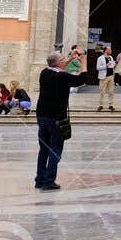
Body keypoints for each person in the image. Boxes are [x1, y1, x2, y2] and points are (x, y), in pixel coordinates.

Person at [35, 53, 77, 191]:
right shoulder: (62, 76)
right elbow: (82, 79)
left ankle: (40, 179)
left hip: (42, 116)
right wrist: (83, 61)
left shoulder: (44, 72)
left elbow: (57, 68)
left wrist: (70, 58)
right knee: (55, 150)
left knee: (44, 149)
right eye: (63, 59)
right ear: (58, 63)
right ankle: (49, 181)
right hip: (56, 118)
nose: (65, 60)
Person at [93, 46, 115, 111]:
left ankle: (111, 105)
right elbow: (98, 67)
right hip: (103, 77)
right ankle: (101, 105)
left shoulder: (111, 57)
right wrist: (106, 65)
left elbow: (111, 66)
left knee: (111, 91)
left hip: (111, 76)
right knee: (102, 91)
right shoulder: (100, 58)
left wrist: (114, 65)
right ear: (106, 50)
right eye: (109, 50)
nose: (111, 51)